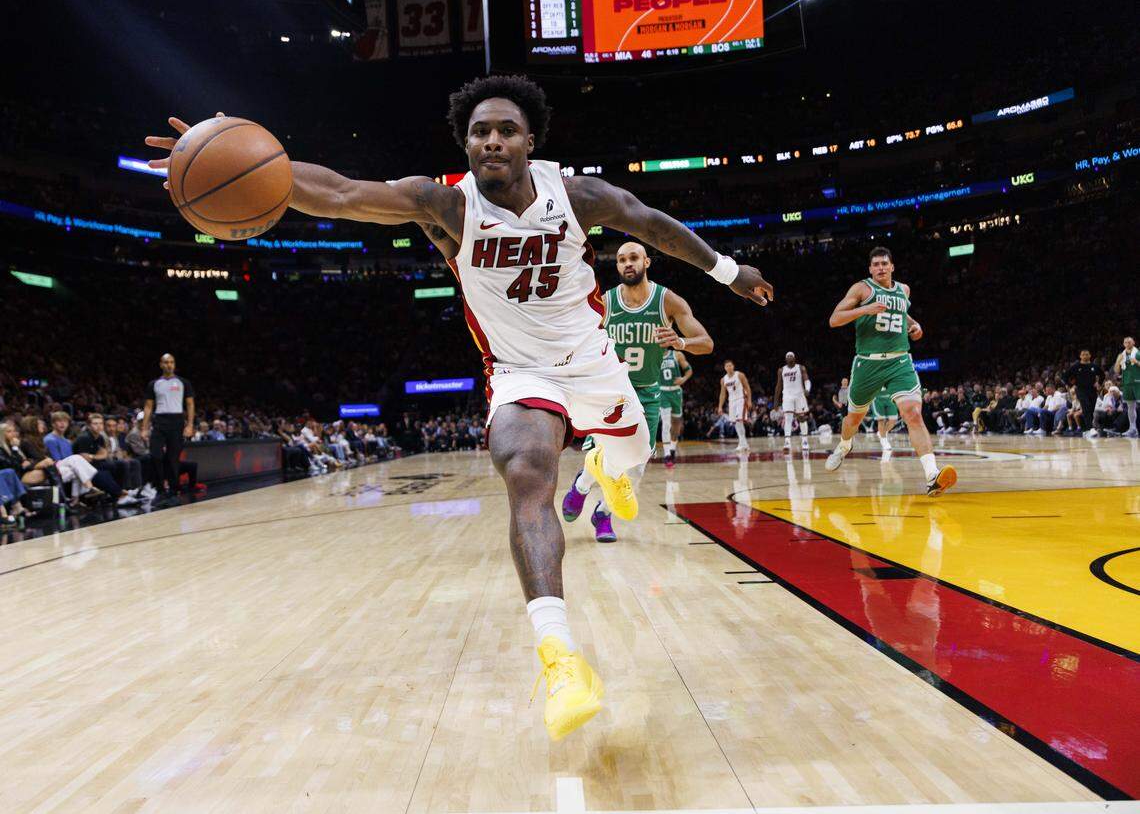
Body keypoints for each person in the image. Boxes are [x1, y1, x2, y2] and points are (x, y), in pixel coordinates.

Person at [148, 74, 772, 741]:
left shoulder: (578, 195)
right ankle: (559, 657)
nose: (493, 140)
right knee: (527, 474)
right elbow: (337, 193)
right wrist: (229, 153)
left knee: (630, 455)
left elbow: (649, 224)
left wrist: (730, 272)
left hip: (594, 364)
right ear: (466, 145)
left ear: (530, 140)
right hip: (518, 373)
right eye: (480, 132)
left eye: (506, 130)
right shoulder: (445, 205)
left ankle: (609, 469)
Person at [560, 241, 713, 543]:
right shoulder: (604, 303)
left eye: (633, 258)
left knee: (636, 469)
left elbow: (706, 342)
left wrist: (680, 342)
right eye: (621, 260)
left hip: (647, 393)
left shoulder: (668, 302)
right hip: (610, 391)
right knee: (601, 455)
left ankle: (603, 513)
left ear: (646, 262)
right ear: (617, 267)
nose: (627, 263)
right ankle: (580, 487)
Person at [824, 247, 957, 496]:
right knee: (853, 420)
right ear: (870, 269)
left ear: (892, 267)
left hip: (899, 362)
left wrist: (915, 325)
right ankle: (844, 445)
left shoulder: (903, 290)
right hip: (868, 363)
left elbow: (902, 315)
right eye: (875, 264)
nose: (880, 268)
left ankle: (932, 476)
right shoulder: (861, 289)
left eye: (884, 263)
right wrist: (864, 309)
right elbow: (834, 319)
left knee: (913, 414)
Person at [141, 353, 195, 501]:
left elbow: (190, 404)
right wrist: (144, 428)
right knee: (155, 455)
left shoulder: (184, 382)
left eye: (171, 362)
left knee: (173, 458)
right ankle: (159, 488)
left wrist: (190, 425)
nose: (169, 365)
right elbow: (148, 406)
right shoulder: (154, 384)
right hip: (159, 420)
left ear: (174, 364)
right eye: (166, 362)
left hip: (177, 420)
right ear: (161, 365)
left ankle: (173, 488)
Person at [659, 347, 692, 469]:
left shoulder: (677, 354)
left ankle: (672, 449)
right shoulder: (654, 356)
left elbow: (689, 370)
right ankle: (667, 454)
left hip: (676, 393)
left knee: (677, 424)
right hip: (663, 393)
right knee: (666, 424)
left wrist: (683, 379)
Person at [774, 352, 811, 452]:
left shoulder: (800, 368)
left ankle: (805, 441)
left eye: (791, 356)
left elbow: (806, 379)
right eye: (788, 356)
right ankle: (787, 442)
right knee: (788, 418)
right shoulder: (781, 370)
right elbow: (778, 386)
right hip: (787, 396)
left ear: (794, 358)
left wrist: (807, 389)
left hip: (799, 395)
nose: (789, 358)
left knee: (802, 417)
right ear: (785, 359)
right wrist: (775, 401)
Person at [1064, 350, 1104, 439]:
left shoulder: (1094, 366)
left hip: (1092, 390)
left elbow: (1102, 374)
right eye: (1083, 354)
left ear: (1090, 355)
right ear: (1080, 356)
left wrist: (1099, 383)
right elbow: (1065, 376)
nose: (1085, 356)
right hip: (1081, 390)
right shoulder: (1076, 366)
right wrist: (1071, 385)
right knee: (1085, 407)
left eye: (1086, 354)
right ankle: (1091, 428)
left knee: (1090, 410)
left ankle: (1086, 430)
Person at [717, 360, 753, 452]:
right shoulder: (723, 379)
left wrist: (749, 400)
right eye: (727, 366)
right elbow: (722, 394)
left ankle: (742, 443)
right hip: (731, 402)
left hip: (741, 399)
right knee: (736, 423)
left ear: (733, 366)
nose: (729, 367)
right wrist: (720, 406)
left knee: (739, 421)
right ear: (725, 368)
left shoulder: (740, 375)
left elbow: (747, 387)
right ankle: (744, 444)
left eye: (730, 365)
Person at [1113, 336, 1139, 437]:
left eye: (1129, 342)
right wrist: (1118, 361)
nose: (1127, 344)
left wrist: (1136, 362)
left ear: (1133, 343)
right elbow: (1116, 371)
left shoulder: (1138, 353)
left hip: (1138, 382)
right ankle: (1133, 429)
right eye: (1125, 342)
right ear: (1124, 344)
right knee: (1130, 407)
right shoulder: (1122, 355)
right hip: (1127, 383)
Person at [870, 386, 898, 460]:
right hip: (877, 397)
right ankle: (884, 441)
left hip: (888, 397)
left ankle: (881, 432)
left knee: (893, 419)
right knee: (881, 420)